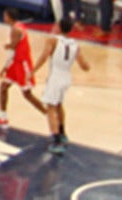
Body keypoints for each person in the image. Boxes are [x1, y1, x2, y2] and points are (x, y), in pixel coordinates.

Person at [34, 17, 90, 155]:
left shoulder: (52, 41)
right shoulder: (75, 44)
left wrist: (32, 71)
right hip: (66, 76)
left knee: (51, 108)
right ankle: (62, 133)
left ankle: (56, 140)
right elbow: (85, 66)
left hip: (56, 76)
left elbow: (44, 57)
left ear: (59, 27)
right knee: (59, 104)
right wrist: (87, 65)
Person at [0, 8, 47, 130]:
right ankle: (3, 118)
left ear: (9, 17)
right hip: (16, 63)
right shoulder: (18, 26)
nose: (3, 17)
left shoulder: (16, 30)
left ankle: (48, 114)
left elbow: (13, 49)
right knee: (3, 87)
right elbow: (15, 45)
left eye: (5, 15)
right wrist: (10, 46)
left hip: (22, 64)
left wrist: (5, 66)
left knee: (27, 94)